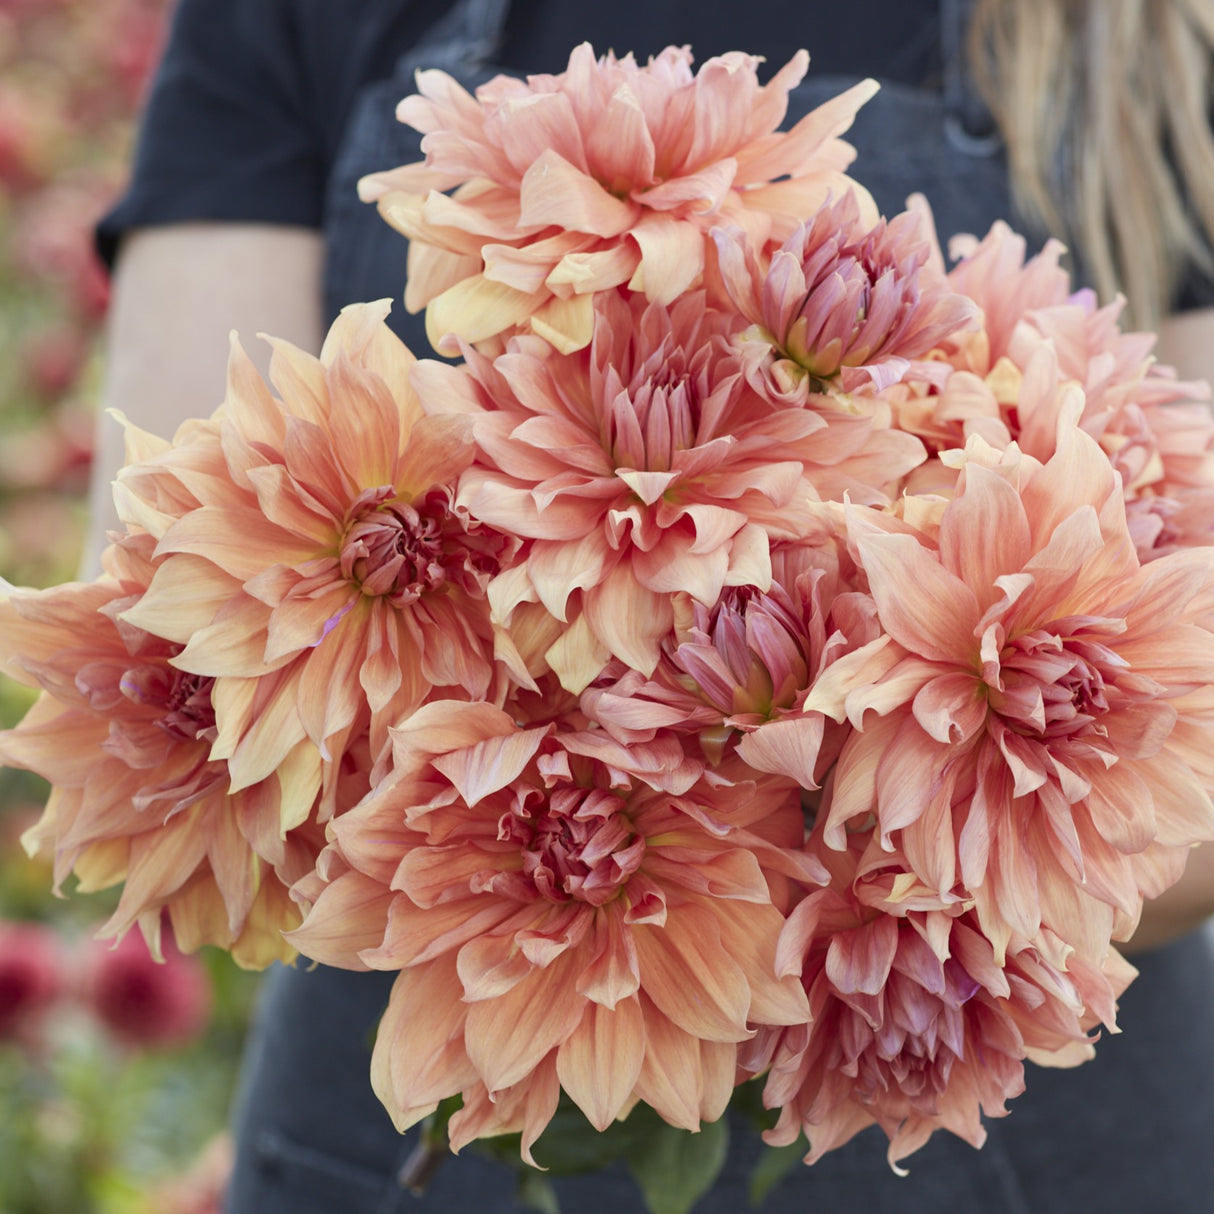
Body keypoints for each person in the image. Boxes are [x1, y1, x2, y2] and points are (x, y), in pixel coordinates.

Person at [89, 1, 1214, 1210]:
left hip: (1014, 1137)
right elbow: (174, 573)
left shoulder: (1145, 31)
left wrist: (832, 946)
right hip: (442, 1099)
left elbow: (1189, 754)